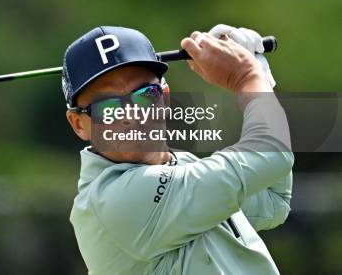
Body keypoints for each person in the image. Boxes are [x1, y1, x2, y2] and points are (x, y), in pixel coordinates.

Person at [63, 25, 293, 274]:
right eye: (107, 106)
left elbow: (274, 198)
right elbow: (272, 156)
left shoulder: (184, 164)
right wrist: (247, 77)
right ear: (78, 124)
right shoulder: (111, 200)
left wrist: (260, 77)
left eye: (145, 94)